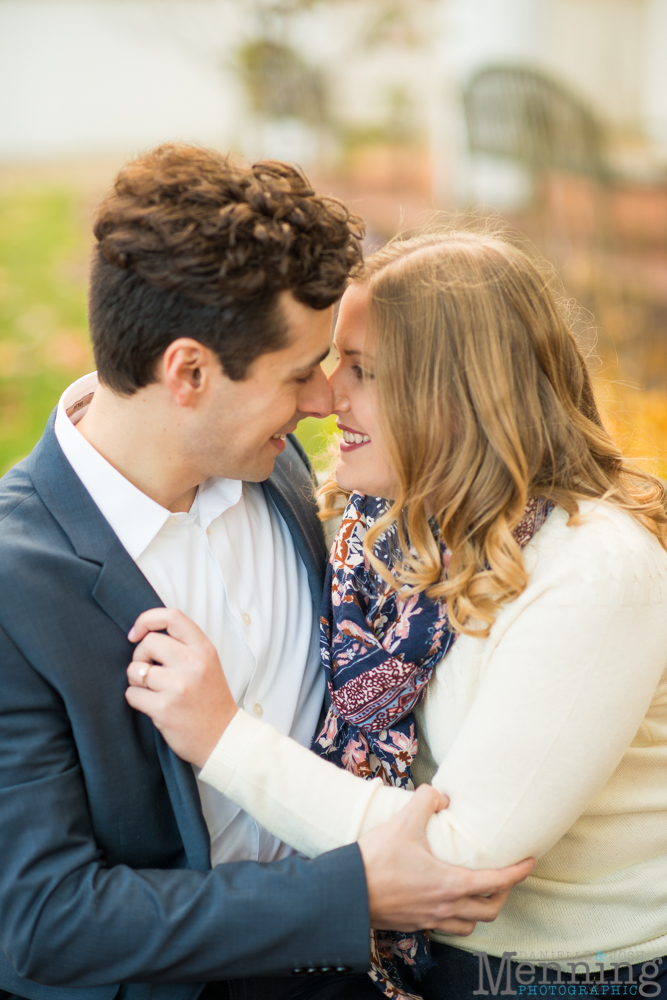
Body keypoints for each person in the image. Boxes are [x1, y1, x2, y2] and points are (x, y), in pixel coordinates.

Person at [0, 150, 533, 1000]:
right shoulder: (15, 584)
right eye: (298, 373)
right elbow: (44, 920)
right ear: (189, 372)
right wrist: (348, 893)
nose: (325, 399)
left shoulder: (278, 474)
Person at [125, 230, 667, 1000]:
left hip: (580, 977)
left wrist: (222, 739)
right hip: (427, 964)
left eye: (363, 370)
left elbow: (456, 857)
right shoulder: (381, 529)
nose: (325, 394)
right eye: (333, 361)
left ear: (460, 392)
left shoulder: (593, 572)